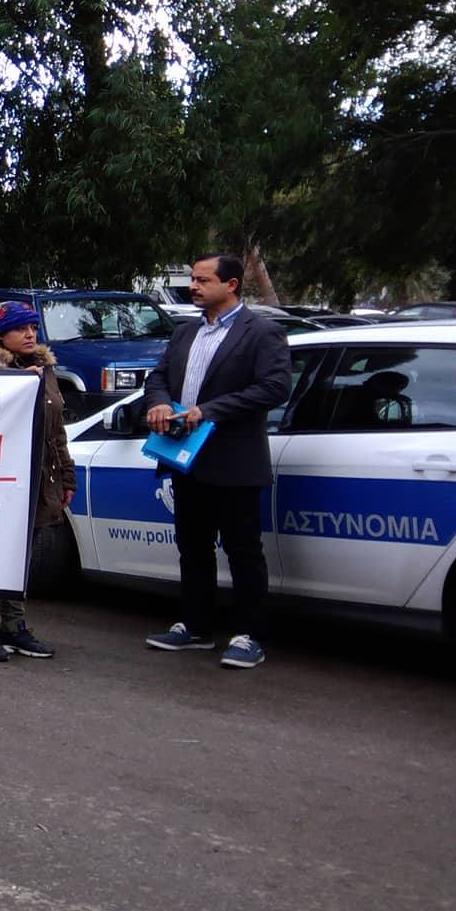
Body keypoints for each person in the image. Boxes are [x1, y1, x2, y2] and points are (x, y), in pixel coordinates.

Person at [142, 253, 292, 669]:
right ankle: (195, 626)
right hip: (184, 458)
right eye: (192, 278)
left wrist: (209, 410)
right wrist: (157, 404)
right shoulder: (186, 331)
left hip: (235, 460)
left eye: (203, 280)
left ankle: (249, 635)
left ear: (231, 285)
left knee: (244, 551)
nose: (193, 286)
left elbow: (274, 388)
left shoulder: (262, 332)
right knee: (192, 547)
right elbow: (158, 377)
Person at [0, 301, 69, 662]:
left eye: (33, 327)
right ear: (0, 336)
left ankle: (14, 626)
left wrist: (66, 475)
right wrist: (18, 385)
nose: (30, 334)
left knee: (23, 555)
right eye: (21, 328)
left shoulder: (46, 369)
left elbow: (57, 430)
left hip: (37, 477)